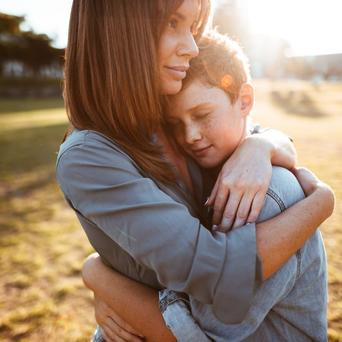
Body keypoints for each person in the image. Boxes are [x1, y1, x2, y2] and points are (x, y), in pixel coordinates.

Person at [55, 1, 334, 341]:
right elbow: (214, 272)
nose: (189, 46)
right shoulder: (90, 156)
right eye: (173, 22)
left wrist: (261, 147)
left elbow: (256, 133)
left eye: (191, 27)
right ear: (120, 30)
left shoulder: (173, 129)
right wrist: (320, 202)